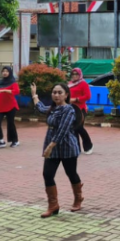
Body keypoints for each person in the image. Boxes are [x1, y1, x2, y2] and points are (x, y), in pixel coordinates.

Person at [31, 82, 84, 218]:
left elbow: (62, 131)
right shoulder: (53, 109)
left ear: (66, 95)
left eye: (60, 92)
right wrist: (34, 94)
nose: (56, 95)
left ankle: (78, 198)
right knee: (47, 174)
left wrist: (49, 146)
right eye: (54, 92)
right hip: (53, 148)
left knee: (71, 173)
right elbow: (41, 108)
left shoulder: (69, 110)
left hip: (67, 147)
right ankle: (53, 205)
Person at [68, 68, 94, 155]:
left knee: (79, 127)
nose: (75, 76)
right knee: (73, 129)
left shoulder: (83, 83)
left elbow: (88, 96)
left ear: (80, 75)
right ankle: (77, 148)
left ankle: (88, 146)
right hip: (71, 109)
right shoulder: (70, 84)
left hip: (81, 109)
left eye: (76, 74)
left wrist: (76, 99)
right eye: (73, 74)